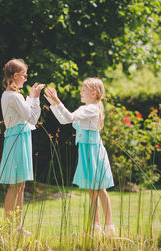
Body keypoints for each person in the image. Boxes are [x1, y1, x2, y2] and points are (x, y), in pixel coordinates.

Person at [44, 77, 116, 235]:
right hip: (86, 150)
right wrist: (54, 103)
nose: (81, 93)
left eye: (84, 90)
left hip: (93, 151)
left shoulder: (91, 108)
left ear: (94, 93)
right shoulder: (87, 108)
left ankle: (108, 226)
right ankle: (96, 225)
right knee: (93, 190)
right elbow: (65, 120)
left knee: (99, 189)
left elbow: (69, 117)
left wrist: (57, 100)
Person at [0, 58, 44, 233]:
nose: (26, 78)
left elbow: (25, 114)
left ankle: (17, 225)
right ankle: (9, 227)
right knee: (15, 185)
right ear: (15, 76)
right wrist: (35, 98)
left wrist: (30, 97)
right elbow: (31, 118)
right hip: (16, 140)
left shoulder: (13, 96)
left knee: (20, 184)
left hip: (20, 137)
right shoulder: (13, 96)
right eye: (24, 75)